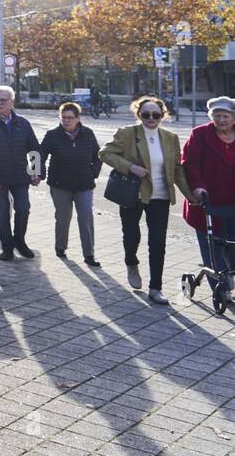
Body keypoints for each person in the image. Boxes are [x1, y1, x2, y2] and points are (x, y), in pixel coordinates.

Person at [100, 95, 194, 305]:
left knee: (158, 242)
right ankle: (131, 262)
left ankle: (155, 288)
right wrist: (130, 167)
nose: (151, 118)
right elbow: (105, 153)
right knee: (132, 236)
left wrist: (190, 195)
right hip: (134, 194)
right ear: (139, 114)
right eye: (146, 114)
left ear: (162, 115)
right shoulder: (127, 133)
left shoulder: (170, 137)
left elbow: (177, 170)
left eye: (156, 114)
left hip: (160, 196)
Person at [0, 85, 43, 261]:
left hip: (20, 176)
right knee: (1, 213)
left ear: (12, 102)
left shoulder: (23, 123)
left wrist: (36, 172)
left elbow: (34, 150)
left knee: (23, 208)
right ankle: (7, 247)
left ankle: (20, 241)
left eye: (3, 100)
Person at [180, 96, 235, 293]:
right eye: (217, 115)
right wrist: (197, 187)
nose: (221, 120)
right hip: (208, 204)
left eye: (226, 115)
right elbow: (190, 163)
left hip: (233, 204)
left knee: (233, 247)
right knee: (213, 249)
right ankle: (221, 288)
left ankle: (230, 278)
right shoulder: (200, 134)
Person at [39, 102, 102, 266]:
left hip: (84, 184)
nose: (66, 121)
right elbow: (39, 155)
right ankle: (60, 247)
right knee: (63, 217)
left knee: (86, 216)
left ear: (78, 118)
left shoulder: (88, 134)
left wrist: (93, 173)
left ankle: (89, 254)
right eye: (63, 117)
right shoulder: (52, 135)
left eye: (70, 118)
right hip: (60, 184)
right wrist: (37, 174)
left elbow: (98, 156)